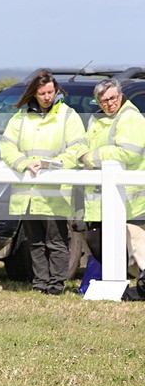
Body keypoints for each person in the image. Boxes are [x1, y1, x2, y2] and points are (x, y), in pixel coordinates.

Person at [0, 69, 88, 295]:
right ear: (34, 94)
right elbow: (6, 147)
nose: (48, 97)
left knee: (56, 241)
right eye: (42, 93)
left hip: (54, 193)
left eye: (51, 92)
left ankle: (56, 285)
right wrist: (23, 163)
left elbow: (78, 148)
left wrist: (53, 163)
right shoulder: (20, 117)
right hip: (27, 192)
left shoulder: (68, 116)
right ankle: (40, 283)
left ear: (56, 90)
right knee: (35, 242)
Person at [80, 79, 145, 272]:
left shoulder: (131, 118)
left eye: (113, 98)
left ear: (121, 95)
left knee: (135, 246)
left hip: (129, 201)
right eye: (103, 101)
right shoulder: (95, 119)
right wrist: (81, 155)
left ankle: (126, 284)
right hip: (99, 199)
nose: (109, 103)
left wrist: (91, 157)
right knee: (96, 240)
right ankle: (123, 281)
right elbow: (85, 143)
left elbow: (128, 152)